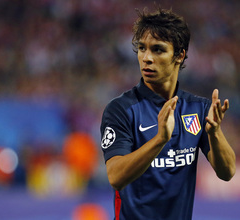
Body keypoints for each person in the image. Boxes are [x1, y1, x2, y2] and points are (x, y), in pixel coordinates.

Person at [100, 7, 236, 220]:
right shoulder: (121, 109)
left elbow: (227, 172)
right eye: (142, 48)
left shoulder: (198, 109)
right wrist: (160, 139)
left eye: (158, 50)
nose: (146, 58)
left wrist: (215, 133)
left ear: (179, 55)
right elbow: (115, 176)